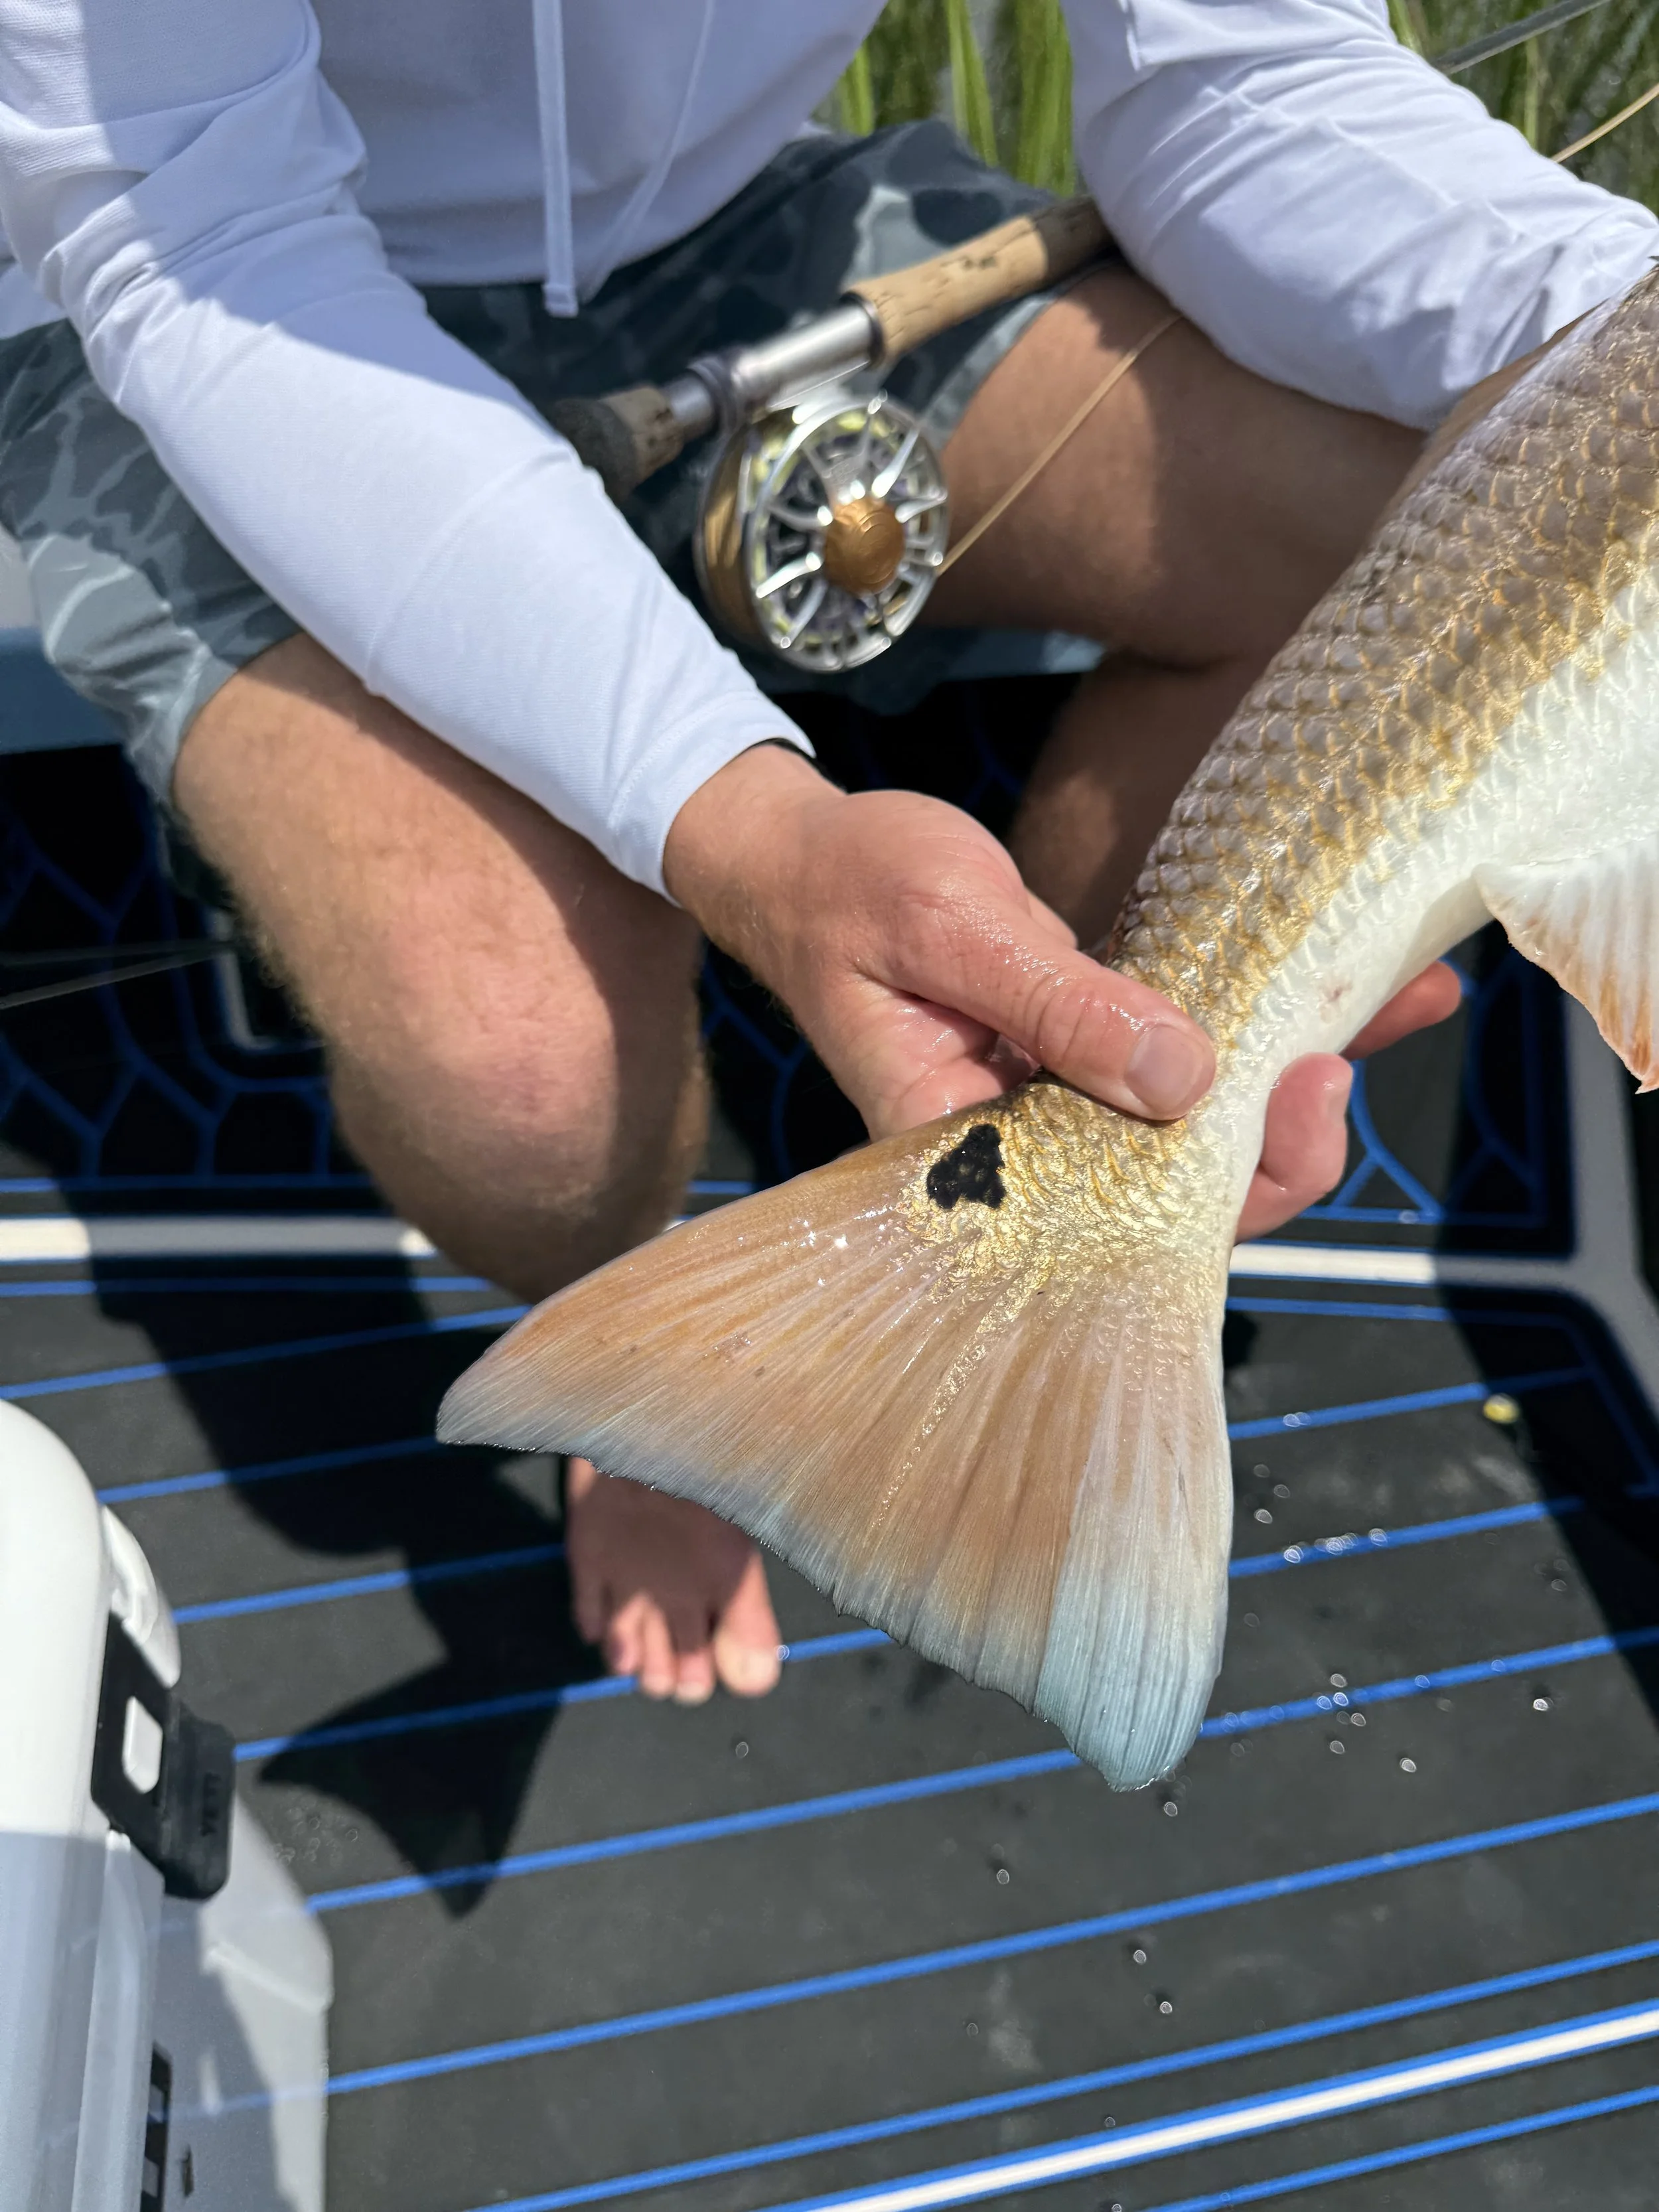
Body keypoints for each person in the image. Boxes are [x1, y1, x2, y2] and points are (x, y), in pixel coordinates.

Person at [0, 2, 1652, 1707]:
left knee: (1372, 514)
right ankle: (663, 1414)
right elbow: (186, 217)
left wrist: (1601, 342)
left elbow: (1227, 60)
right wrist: (747, 825)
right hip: (172, 292)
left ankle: (1055, 1139)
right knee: (525, 1078)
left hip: (731, 228)